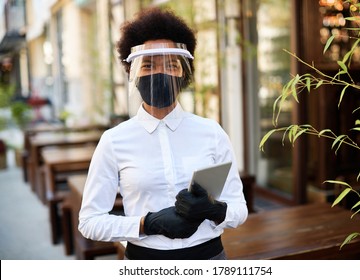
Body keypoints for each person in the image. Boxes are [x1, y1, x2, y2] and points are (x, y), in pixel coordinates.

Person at [78, 7, 248, 260]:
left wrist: (216, 211)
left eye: (170, 65)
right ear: (133, 74)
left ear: (183, 73)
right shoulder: (114, 141)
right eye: (147, 65)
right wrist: (146, 224)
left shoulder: (211, 132)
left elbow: (240, 209)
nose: (160, 73)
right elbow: (89, 221)